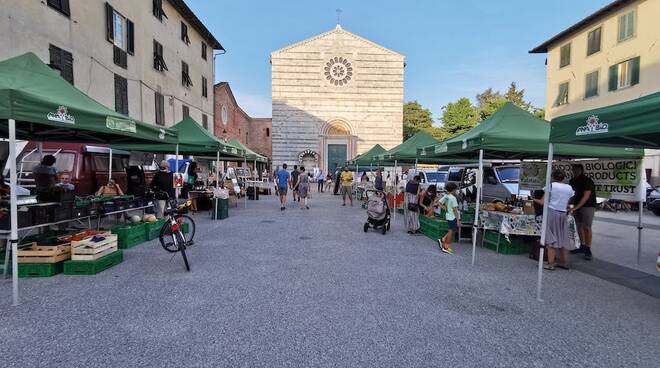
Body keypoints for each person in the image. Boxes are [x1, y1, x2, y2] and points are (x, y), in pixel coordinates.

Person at [533, 169, 574, 270]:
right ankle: (564, 262)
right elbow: (568, 203)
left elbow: (543, 202)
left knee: (550, 238)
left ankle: (550, 264)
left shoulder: (551, 186)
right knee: (562, 237)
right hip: (563, 213)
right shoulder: (569, 188)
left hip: (551, 212)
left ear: (553, 177)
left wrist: (532, 199)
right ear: (564, 178)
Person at [569, 164, 596, 260]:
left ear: (581, 170)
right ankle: (582, 246)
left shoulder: (587, 181)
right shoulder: (572, 181)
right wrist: (570, 206)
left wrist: (576, 207)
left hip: (588, 206)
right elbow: (571, 196)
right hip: (577, 206)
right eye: (574, 169)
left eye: (577, 169)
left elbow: (586, 196)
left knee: (587, 227)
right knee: (579, 226)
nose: (575, 171)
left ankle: (588, 249)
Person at [437, 183, 460, 254]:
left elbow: (439, 203)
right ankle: (446, 246)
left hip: (448, 215)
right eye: (456, 189)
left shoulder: (446, 196)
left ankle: (443, 239)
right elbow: (455, 210)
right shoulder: (453, 198)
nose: (456, 191)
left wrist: (445, 209)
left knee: (452, 230)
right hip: (453, 216)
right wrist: (458, 219)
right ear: (453, 190)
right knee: (451, 231)